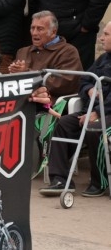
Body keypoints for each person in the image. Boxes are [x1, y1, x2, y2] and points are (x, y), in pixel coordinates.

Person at [42, 22, 111, 197]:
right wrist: (88, 89)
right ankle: (60, 179)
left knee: (95, 129)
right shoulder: (103, 59)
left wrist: (96, 112)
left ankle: (100, 182)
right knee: (64, 124)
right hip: (91, 110)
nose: (101, 38)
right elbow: (84, 80)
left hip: (106, 113)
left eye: (106, 34)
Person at [9, 11, 81, 102]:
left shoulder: (68, 52)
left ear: (53, 32)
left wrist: (27, 73)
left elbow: (62, 84)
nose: (34, 33)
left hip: (50, 104)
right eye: (32, 28)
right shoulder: (23, 51)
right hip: (20, 102)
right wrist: (13, 71)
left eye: (40, 29)